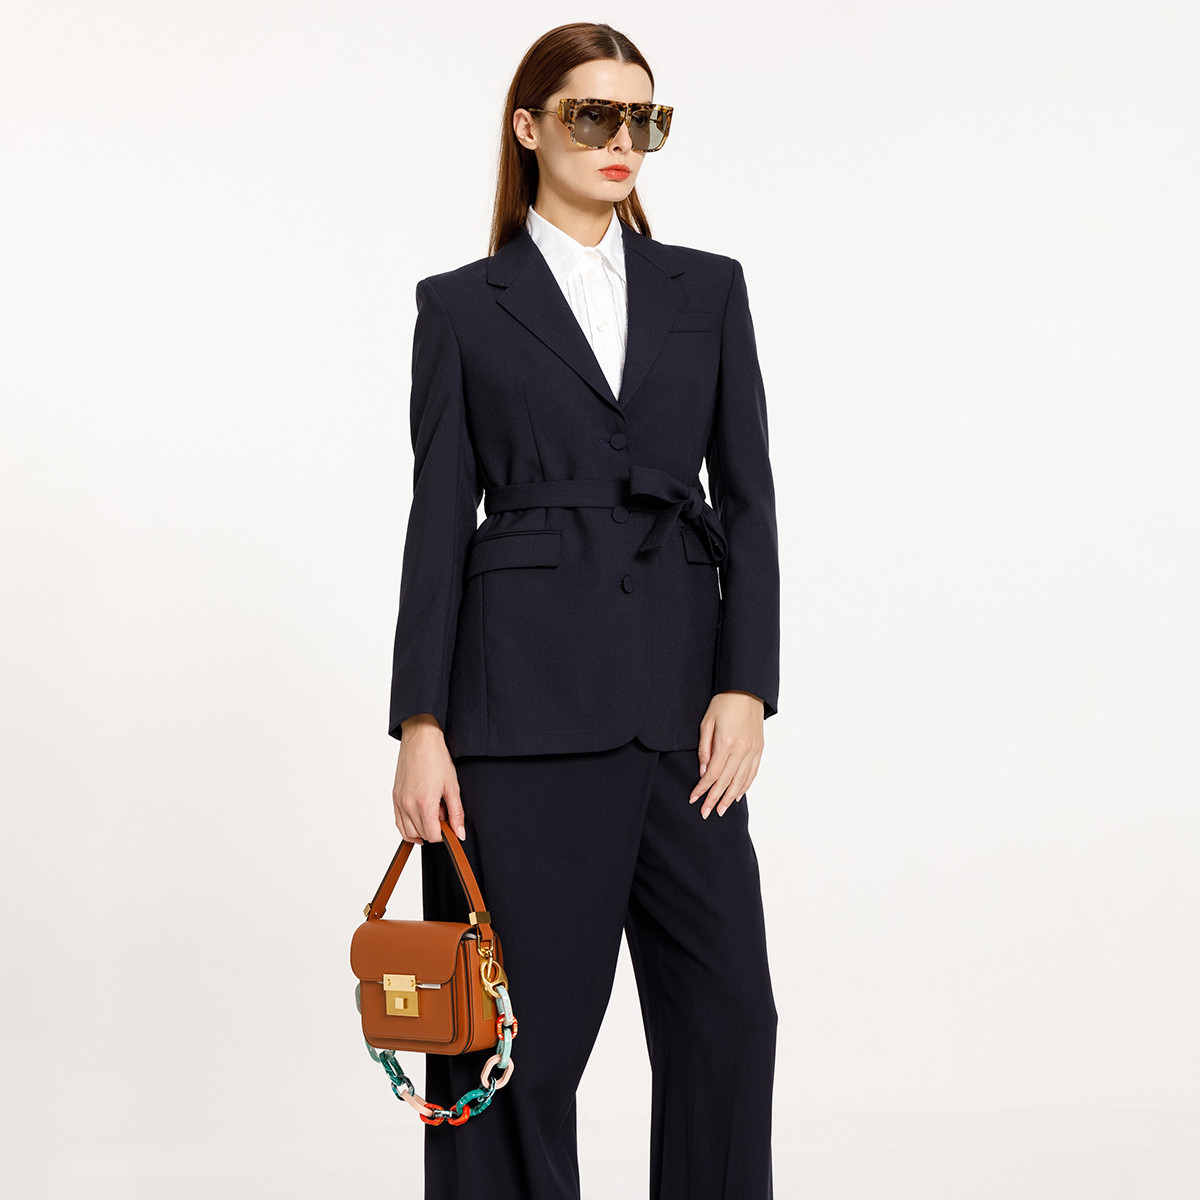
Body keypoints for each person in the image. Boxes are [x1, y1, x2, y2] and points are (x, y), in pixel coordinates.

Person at [387, 21, 780, 1200]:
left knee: (729, 1015)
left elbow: (749, 497)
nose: (622, 140)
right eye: (592, 114)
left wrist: (747, 683)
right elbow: (437, 518)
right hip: (518, 710)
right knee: (510, 1040)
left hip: (681, 702)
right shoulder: (465, 306)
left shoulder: (708, 289)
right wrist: (420, 724)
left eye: (642, 118)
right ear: (529, 126)